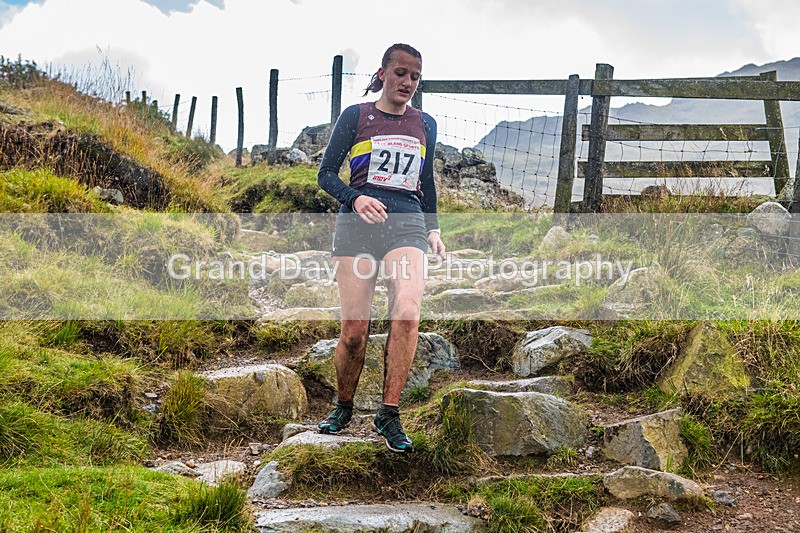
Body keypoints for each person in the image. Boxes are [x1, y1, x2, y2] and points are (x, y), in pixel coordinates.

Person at [316, 43, 445, 453]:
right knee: (354, 334)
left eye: (415, 77)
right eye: (401, 73)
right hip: (356, 227)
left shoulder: (426, 123)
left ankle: (389, 415)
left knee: (407, 312)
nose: (408, 82)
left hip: (406, 225)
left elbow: (426, 183)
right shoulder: (356, 116)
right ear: (383, 73)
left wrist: (434, 229)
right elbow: (324, 176)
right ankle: (343, 406)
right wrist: (355, 197)